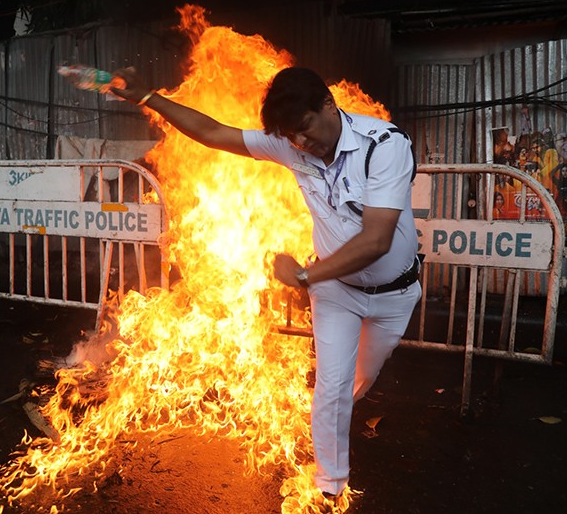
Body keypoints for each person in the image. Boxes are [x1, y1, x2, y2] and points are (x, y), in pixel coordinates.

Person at [111, 67, 421, 501]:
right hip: (336, 291)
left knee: (359, 380)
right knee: (331, 388)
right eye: (291, 136)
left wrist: (304, 276)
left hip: (393, 294)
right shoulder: (292, 144)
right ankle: (330, 488)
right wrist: (148, 97)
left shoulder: (385, 146)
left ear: (328, 104)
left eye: (306, 127)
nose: (301, 142)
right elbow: (213, 132)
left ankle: (331, 419)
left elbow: (376, 240)